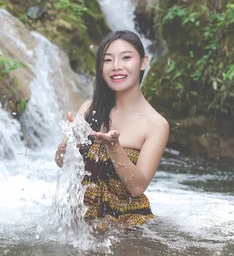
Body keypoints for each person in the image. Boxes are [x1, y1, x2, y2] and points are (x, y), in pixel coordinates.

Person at [55, 30, 169, 230]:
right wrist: (70, 140)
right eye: (108, 60)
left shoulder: (155, 124)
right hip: (81, 224)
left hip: (127, 230)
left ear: (143, 62)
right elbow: (60, 161)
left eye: (126, 57)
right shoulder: (88, 108)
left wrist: (114, 147)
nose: (117, 67)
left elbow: (137, 187)